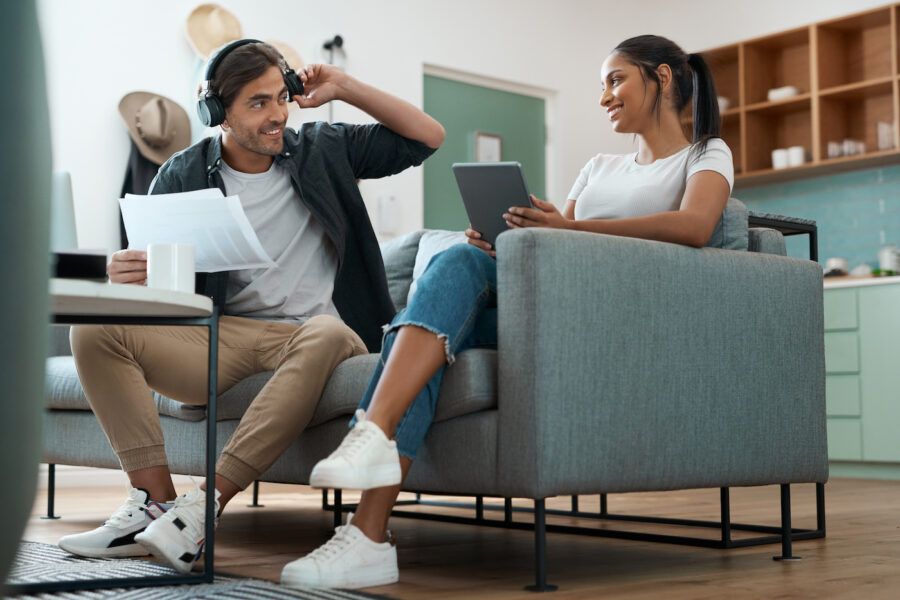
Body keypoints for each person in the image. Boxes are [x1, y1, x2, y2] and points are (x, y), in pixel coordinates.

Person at [280, 34, 735, 590]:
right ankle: (368, 528)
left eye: (615, 80)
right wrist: (515, 236)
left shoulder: (706, 154)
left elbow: (695, 227)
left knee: (440, 306)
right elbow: (556, 248)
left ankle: (372, 443)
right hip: (542, 308)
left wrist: (568, 228)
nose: (604, 98)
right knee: (451, 285)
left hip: (602, 318)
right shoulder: (596, 167)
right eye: (602, 86)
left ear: (662, 77)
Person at [58, 40, 445, 574]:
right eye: (258, 104)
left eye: (281, 97)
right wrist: (128, 273)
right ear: (218, 112)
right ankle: (154, 501)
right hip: (228, 335)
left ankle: (201, 511)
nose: (277, 115)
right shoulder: (181, 174)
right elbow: (163, 292)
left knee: (325, 332)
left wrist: (343, 87)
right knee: (94, 330)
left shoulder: (324, 148)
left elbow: (428, 137)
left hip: (320, 333)